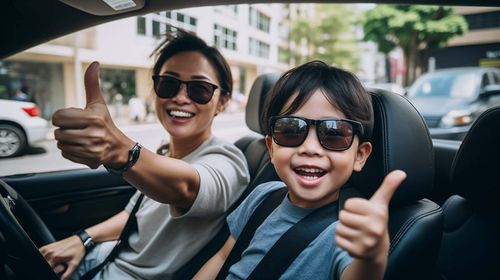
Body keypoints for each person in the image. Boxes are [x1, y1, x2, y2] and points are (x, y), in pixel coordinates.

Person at [40, 29, 250, 280]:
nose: (181, 98)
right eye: (168, 84)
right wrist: (82, 239)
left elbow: (186, 187)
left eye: (200, 89)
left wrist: (119, 151)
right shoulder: (163, 152)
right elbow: (133, 215)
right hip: (108, 256)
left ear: (223, 101)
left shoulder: (229, 160)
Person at [194, 61, 407, 280]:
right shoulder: (262, 195)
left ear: (360, 155)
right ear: (271, 148)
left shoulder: (347, 233)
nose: (310, 148)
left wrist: (372, 258)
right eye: (291, 130)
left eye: (334, 134)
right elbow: (222, 258)